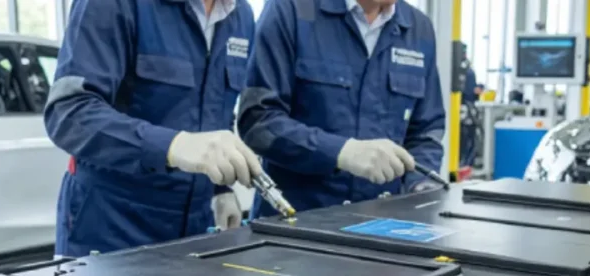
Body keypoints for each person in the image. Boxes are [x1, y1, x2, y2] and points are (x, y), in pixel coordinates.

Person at [44, 0, 261, 258]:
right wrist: (172, 146)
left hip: (195, 235)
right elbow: (68, 113)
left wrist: (220, 190)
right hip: (110, 230)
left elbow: (213, 112)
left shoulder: (241, 16)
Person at [238, 0, 446, 216]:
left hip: (383, 225)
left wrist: (421, 187)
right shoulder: (291, 9)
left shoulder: (418, 28)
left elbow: (426, 131)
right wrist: (340, 152)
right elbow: (259, 122)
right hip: (295, 224)